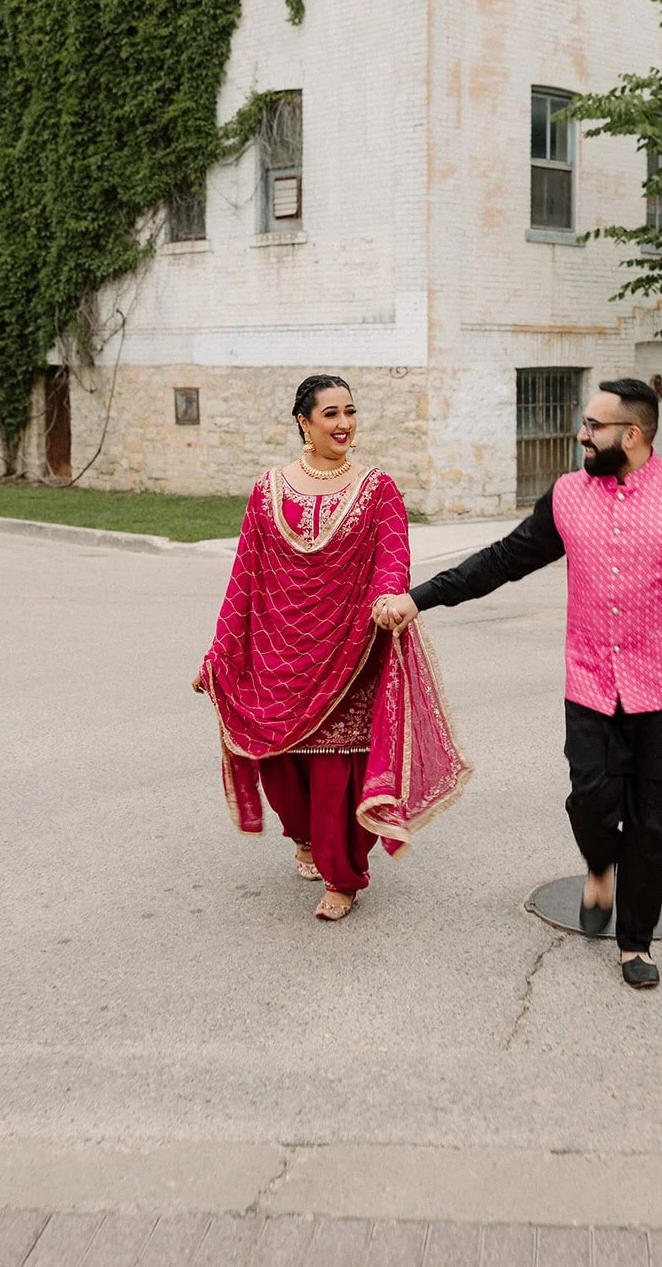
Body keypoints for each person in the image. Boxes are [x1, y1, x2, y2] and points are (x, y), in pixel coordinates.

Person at [374, 377, 662, 987]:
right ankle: (599, 867)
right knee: (591, 804)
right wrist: (419, 598)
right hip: (591, 688)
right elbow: (501, 562)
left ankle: (636, 942)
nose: (581, 434)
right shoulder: (567, 497)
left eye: (593, 426)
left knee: (657, 822)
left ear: (631, 435)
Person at [194, 374, 470, 921]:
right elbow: (244, 575)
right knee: (279, 767)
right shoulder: (268, 488)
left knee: (334, 772)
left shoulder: (377, 488)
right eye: (332, 414)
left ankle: (342, 877)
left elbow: (392, 557)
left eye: (351, 412)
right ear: (305, 421)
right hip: (277, 650)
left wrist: (388, 600)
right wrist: (221, 651)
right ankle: (302, 836)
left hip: (350, 649)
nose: (345, 424)